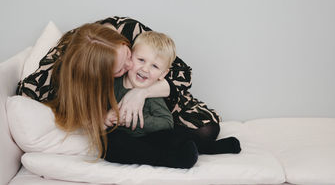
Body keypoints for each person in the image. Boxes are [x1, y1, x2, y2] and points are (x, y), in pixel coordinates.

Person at [16, 16, 226, 166]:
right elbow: (26, 92)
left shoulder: (127, 28)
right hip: (124, 121)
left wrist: (141, 93)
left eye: (129, 53)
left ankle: (185, 146)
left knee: (208, 129)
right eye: (121, 68)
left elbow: (183, 73)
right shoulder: (61, 71)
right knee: (114, 144)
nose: (131, 65)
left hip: (163, 94)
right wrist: (95, 118)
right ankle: (170, 151)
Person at [107, 31, 240, 163]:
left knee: (177, 135)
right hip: (124, 139)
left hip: (151, 138)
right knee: (111, 145)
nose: (145, 69)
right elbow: (98, 111)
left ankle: (209, 147)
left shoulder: (152, 93)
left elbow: (166, 122)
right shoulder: (114, 84)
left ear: (162, 74)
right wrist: (106, 118)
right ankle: (171, 159)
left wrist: (138, 121)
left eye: (154, 66)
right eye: (141, 60)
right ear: (130, 58)